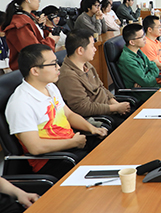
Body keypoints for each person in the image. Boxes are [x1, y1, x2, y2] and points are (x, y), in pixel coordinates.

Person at [5, 44, 108, 179]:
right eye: (53, 64)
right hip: (53, 160)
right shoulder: (20, 103)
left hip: (71, 146)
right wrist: (73, 143)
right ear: (35, 71)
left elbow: (69, 114)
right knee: (105, 162)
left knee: (110, 145)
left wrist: (92, 128)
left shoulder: (50, 87)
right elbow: (35, 147)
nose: (58, 67)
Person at [55, 29, 130, 122]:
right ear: (80, 50)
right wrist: (115, 108)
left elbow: (101, 87)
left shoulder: (86, 64)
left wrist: (116, 104)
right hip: (100, 117)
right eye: (92, 46)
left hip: (109, 109)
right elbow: (83, 108)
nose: (95, 49)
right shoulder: (68, 76)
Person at [1, 0, 59, 71]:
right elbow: (32, 51)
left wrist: (44, 29)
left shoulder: (29, 18)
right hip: (29, 70)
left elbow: (38, 39)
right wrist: (51, 40)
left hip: (37, 67)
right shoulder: (20, 24)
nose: (39, 1)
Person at [117, 24, 160, 102]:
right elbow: (147, 82)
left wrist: (148, 77)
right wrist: (150, 78)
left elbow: (154, 66)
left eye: (144, 34)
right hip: (143, 94)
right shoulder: (127, 60)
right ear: (132, 42)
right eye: (141, 37)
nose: (145, 38)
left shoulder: (138, 51)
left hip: (151, 88)